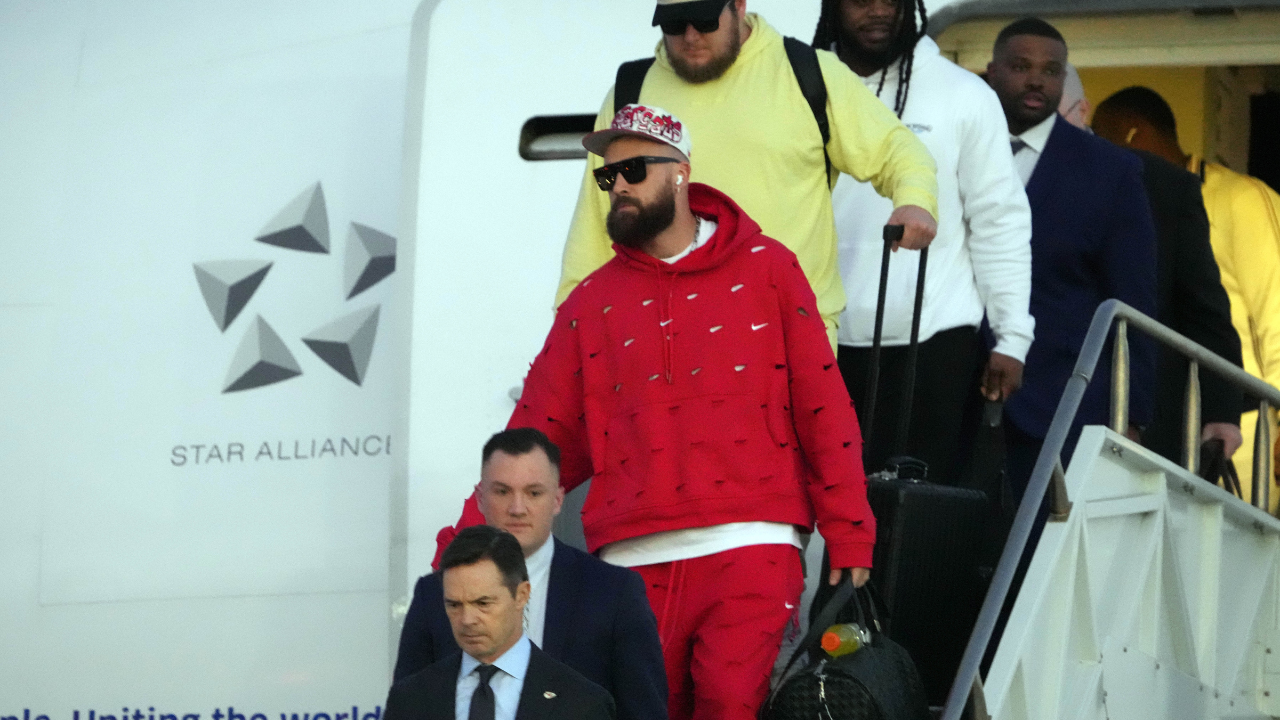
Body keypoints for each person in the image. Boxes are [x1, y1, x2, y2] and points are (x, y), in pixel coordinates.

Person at [438, 106, 876, 720]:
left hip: (751, 541)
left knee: (729, 706)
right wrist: (462, 546)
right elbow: (534, 441)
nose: (618, 185)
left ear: (681, 173)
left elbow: (822, 403)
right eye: (607, 176)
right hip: (631, 561)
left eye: (635, 170)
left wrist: (851, 532)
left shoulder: (770, 267)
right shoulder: (591, 302)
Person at [558, 0, 941, 348]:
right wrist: (568, 334)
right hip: (661, 347)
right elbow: (594, 229)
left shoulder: (807, 72)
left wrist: (915, 202)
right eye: (674, 24)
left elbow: (899, 151)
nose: (690, 36)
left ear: (738, 6)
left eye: (705, 19)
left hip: (790, 341)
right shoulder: (631, 92)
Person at [814, 0, 1034, 478]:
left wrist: (1012, 334)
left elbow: (999, 219)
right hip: (819, 339)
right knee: (820, 508)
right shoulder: (802, 85)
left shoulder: (964, 94)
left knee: (915, 523)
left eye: (890, 0)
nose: (878, 10)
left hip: (933, 344)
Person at [1091, 86, 1280, 501]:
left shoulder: (1240, 197)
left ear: (1130, 135)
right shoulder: (1130, 196)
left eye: (1099, 133)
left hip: (1244, 425)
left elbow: (1276, 311)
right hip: (1171, 417)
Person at [396, 429, 666, 720]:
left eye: (533, 493)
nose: (517, 508)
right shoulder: (433, 594)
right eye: (502, 491)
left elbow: (644, 713)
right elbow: (409, 707)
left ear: (558, 499)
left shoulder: (615, 593)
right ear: (480, 498)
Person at [386, 526, 615, 720]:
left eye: (483, 603)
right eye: (454, 605)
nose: (467, 620)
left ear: (522, 595)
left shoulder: (582, 703)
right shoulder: (410, 699)